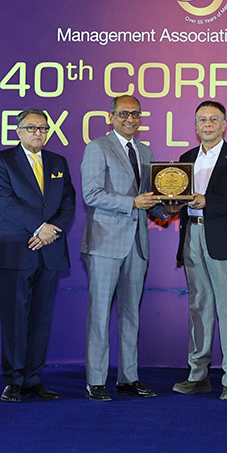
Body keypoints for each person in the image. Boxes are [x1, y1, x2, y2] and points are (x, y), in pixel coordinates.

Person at [80, 96, 166, 401]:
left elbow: (148, 199)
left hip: (137, 243)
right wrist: (132, 202)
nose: (130, 119)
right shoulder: (97, 147)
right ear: (111, 117)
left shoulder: (146, 151)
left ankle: (129, 378)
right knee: (100, 315)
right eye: (124, 113)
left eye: (135, 114)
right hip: (105, 242)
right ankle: (96, 381)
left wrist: (168, 207)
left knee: (131, 315)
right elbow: (91, 194)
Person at [171, 101, 227, 401]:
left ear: (224, 124)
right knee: (199, 307)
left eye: (213, 119)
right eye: (202, 120)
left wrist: (208, 202)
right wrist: (172, 204)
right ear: (195, 126)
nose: (207, 124)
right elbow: (177, 196)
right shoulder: (185, 159)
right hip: (192, 235)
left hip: (225, 240)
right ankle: (198, 375)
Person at [0, 108, 75, 403]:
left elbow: (68, 202)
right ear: (18, 131)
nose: (38, 132)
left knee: (41, 318)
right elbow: (5, 201)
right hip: (16, 248)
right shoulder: (3, 160)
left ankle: (32, 378)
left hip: (50, 249)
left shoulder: (58, 162)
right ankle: (13, 379)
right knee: (14, 317)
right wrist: (40, 228)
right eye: (31, 128)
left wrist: (51, 231)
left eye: (43, 128)